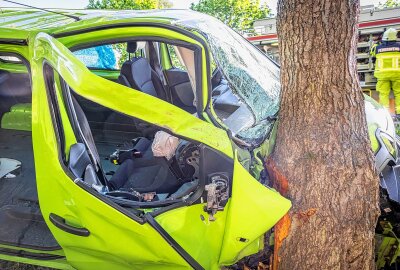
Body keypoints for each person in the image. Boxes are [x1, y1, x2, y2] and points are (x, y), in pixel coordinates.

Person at [371, 28, 400, 117]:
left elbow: (373, 57)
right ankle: (399, 112)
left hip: (382, 75)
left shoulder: (377, 48)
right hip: (397, 75)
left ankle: (385, 114)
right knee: (398, 93)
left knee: (383, 94)